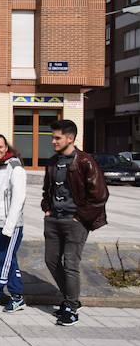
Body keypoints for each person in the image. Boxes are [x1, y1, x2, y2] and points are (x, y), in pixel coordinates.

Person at [41, 119, 108, 326]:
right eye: (53, 137)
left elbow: (100, 195)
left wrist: (80, 217)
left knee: (70, 264)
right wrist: (47, 208)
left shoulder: (85, 161)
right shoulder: (52, 162)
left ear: (70, 138)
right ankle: (71, 298)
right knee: (51, 261)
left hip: (75, 222)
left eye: (57, 138)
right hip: (54, 220)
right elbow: (47, 189)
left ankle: (71, 308)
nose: (53, 141)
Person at [0, 134, 27, 313]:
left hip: (9, 224)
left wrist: (10, 226)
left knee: (2, 261)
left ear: (6, 147)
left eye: (0, 147)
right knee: (8, 260)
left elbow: (18, 199)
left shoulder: (15, 167)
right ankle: (17, 297)